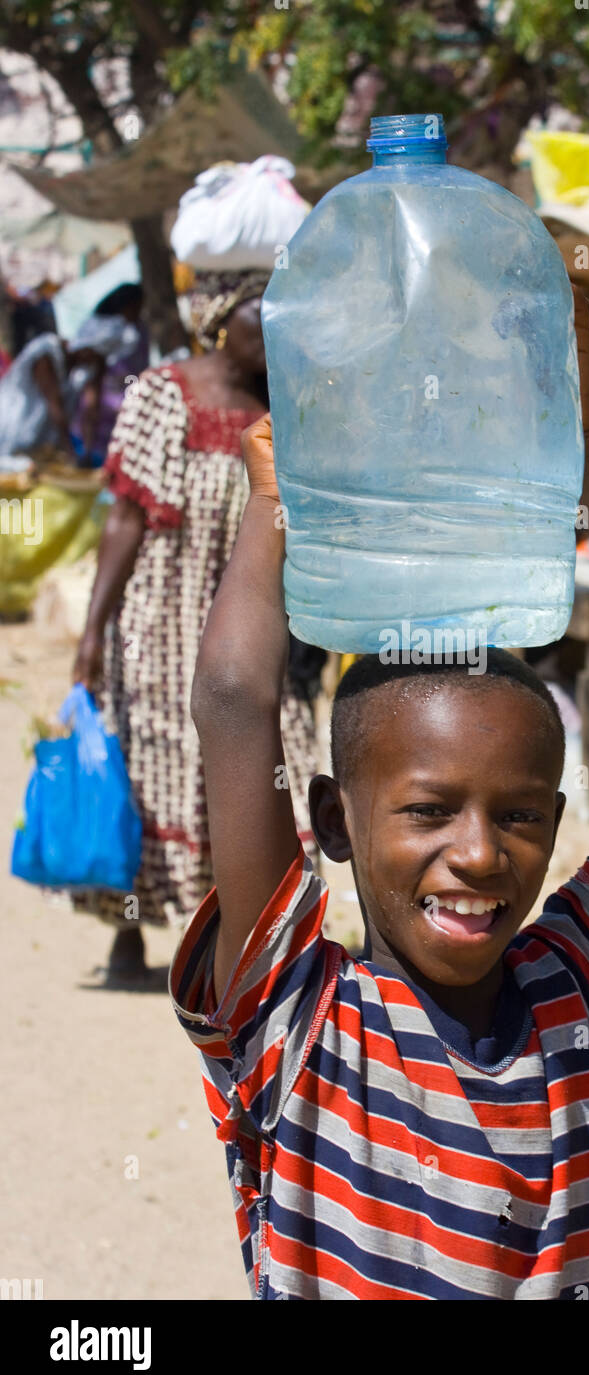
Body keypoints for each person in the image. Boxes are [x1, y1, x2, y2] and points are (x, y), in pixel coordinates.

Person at [169, 290, 589, 1300]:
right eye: (428, 810)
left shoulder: (579, 1004)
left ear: (557, 824)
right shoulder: (298, 1023)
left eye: (517, 814)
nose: (478, 853)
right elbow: (235, 698)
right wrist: (274, 499)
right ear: (335, 820)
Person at [72, 269, 319, 982]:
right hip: (161, 624)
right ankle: (130, 939)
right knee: (155, 772)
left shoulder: (285, 411)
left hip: (256, 622)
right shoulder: (161, 393)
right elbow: (124, 516)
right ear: (218, 322)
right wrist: (94, 630)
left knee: (271, 763)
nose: (276, 339)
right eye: (260, 322)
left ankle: (243, 943)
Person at [0, 320, 119, 465]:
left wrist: (87, 451)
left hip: (45, 439)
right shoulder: (45, 353)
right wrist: (71, 455)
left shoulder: (89, 363)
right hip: (17, 428)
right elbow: (55, 407)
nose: (93, 363)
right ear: (85, 349)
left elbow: (91, 408)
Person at [69, 283, 150, 467]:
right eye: (136, 305)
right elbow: (93, 390)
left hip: (128, 405)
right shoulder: (106, 331)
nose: (139, 310)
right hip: (102, 416)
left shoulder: (140, 330)